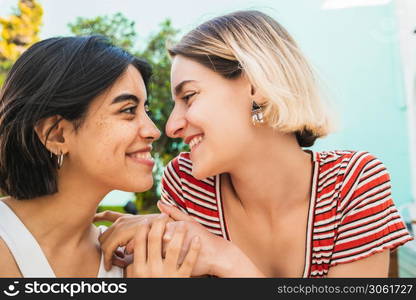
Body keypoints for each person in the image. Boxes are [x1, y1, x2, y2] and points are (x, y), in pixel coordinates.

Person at [98, 10, 413, 278]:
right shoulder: (189, 185)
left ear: (257, 87)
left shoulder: (351, 183)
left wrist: (228, 260)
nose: (171, 126)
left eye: (189, 97)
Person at [0, 36, 200, 278]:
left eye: (145, 110)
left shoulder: (136, 262)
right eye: (128, 110)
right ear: (56, 135)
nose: (153, 131)